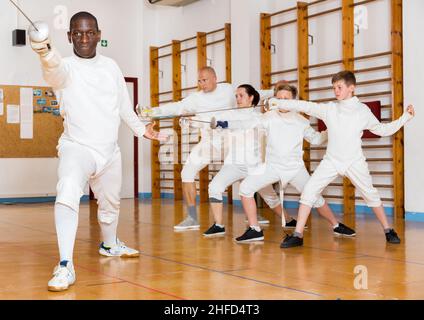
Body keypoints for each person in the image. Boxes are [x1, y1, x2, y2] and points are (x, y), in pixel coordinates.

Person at [30, 11, 166, 292]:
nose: (83, 38)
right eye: (77, 33)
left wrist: (142, 130)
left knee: (110, 206)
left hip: (109, 152)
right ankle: (65, 265)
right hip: (77, 148)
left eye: (89, 32)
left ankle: (110, 244)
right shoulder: (65, 67)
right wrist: (43, 49)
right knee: (67, 187)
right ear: (69, 37)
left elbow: (124, 108)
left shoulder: (111, 67)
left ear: (98, 35)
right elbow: (52, 69)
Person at [267, 71, 415, 248]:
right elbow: (305, 106)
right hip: (331, 161)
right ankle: (298, 235)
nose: (336, 91)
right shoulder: (330, 108)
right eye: (334, 88)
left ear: (351, 88)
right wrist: (278, 102)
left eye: (339, 87)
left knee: (371, 194)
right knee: (308, 192)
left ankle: (388, 230)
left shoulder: (362, 111)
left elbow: (383, 130)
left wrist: (406, 117)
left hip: (354, 161)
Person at [215, 83, 355, 243]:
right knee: (246, 188)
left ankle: (336, 225)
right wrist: (226, 124)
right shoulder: (268, 117)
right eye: (279, 98)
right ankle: (255, 229)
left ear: (293, 101)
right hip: (272, 167)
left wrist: (330, 131)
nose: (282, 101)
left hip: (295, 169)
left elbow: (316, 139)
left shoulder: (301, 121)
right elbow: (248, 125)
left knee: (314, 197)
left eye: (286, 99)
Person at [203, 84, 294, 237]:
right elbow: (217, 124)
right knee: (214, 187)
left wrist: (226, 124)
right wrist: (213, 124)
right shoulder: (230, 115)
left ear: (251, 98)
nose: (238, 99)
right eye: (236, 96)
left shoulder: (260, 118)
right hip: (233, 164)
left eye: (241, 95)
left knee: (269, 196)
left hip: (254, 165)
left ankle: (289, 219)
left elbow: (245, 124)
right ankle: (218, 225)